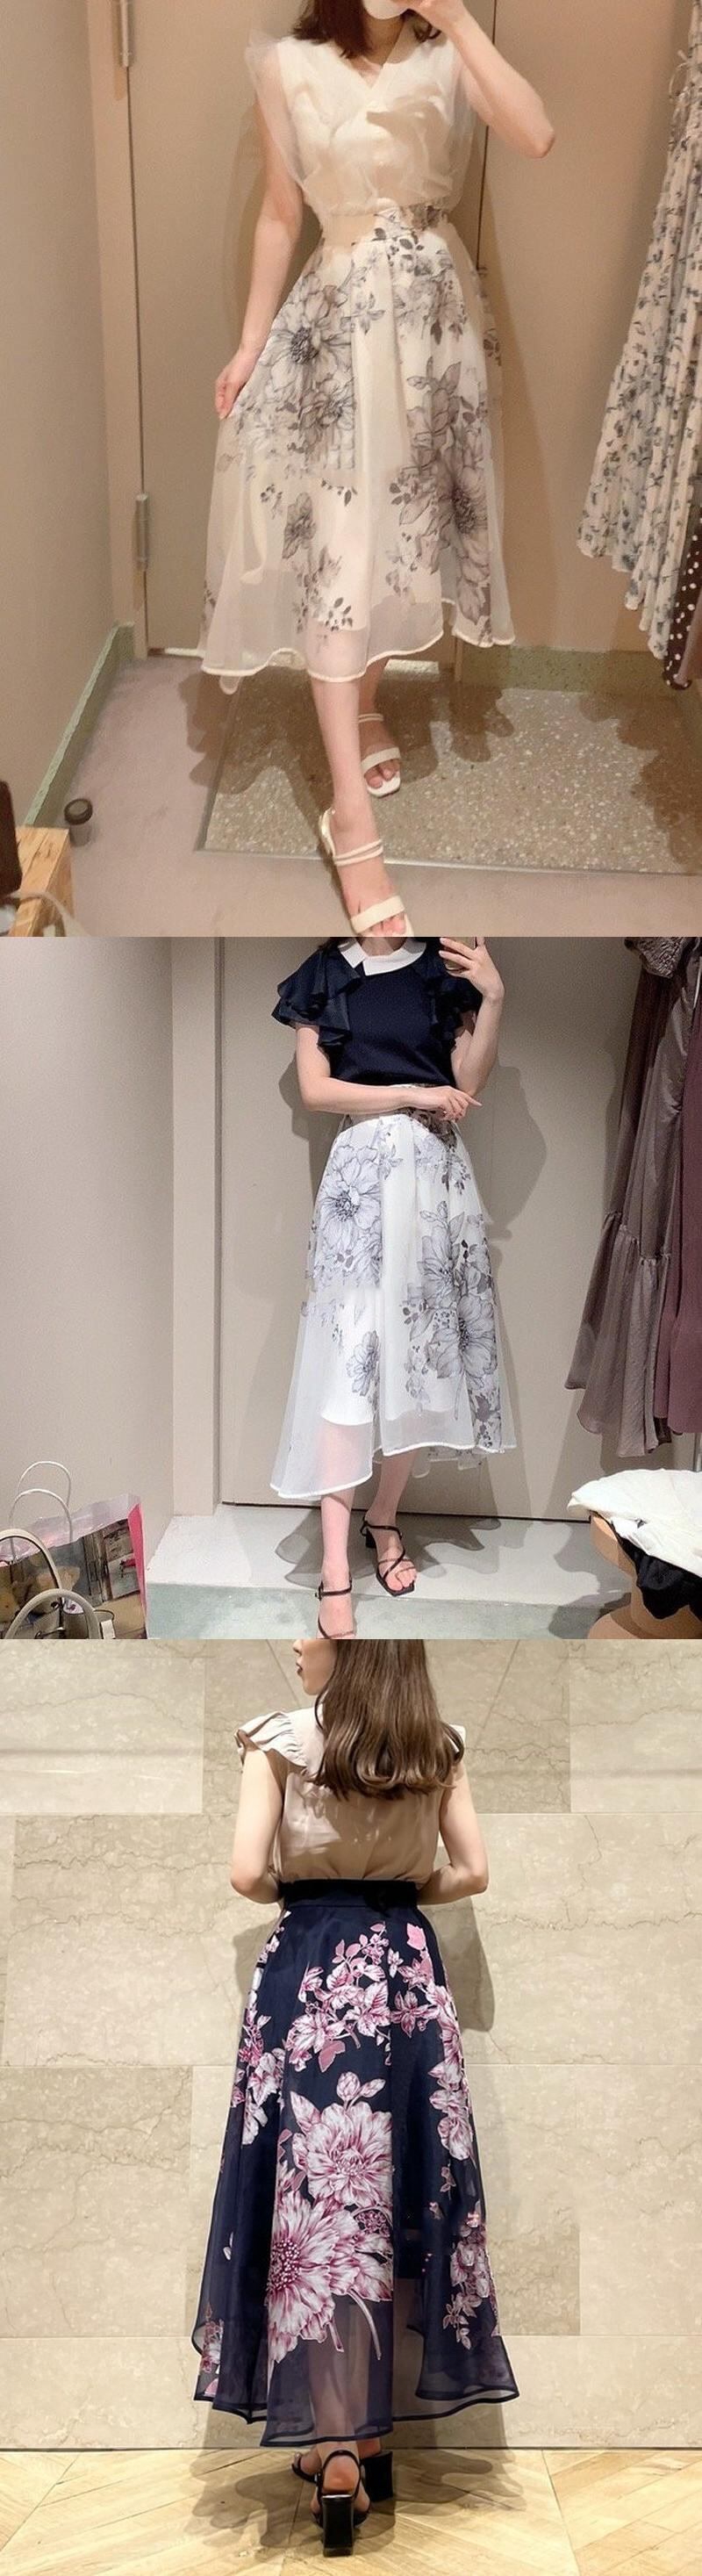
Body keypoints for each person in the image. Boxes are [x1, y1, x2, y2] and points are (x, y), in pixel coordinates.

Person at [202, 2, 555, 937]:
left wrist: (457, 20)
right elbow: (282, 212)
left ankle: (363, 707)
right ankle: (351, 820)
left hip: (435, 326)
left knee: (406, 538)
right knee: (341, 548)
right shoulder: (287, 65)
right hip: (340, 328)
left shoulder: (447, 55)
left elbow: (535, 134)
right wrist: (249, 343)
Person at [192, 1637, 517, 2554]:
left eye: (317, 1628)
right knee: (395, 2192)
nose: (300, 1641)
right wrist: (396, 1891)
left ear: (353, 1649)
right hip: (403, 1972)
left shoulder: (278, 1740)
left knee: (319, 2202)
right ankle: (366, 2437)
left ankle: (334, 2446)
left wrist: (316, 1892)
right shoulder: (436, 1746)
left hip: (307, 1971)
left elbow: (246, 1874)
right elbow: (472, 1872)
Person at [270, 932, 513, 1634]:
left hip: (435, 1177)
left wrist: (494, 997)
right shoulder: (327, 969)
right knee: (345, 1361)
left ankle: (383, 1517)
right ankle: (335, 1566)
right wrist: (410, 1092)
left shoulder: (440, 966)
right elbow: (317, 1090)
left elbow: (467, 1084)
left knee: (418, 1356)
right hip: (361, 1175)